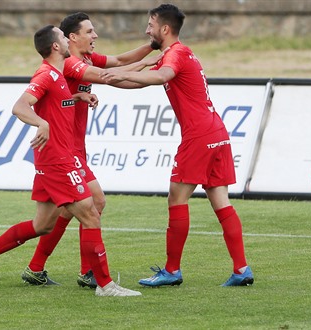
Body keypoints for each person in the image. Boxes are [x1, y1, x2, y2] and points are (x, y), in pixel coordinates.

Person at [0, 25, 141, 296]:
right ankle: (104, 285)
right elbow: (20, 106)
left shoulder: (58, 75)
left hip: (55, 158)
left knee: (43, 225)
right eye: (62, 36)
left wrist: (77, 97)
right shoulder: (46, 74)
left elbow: (54, 104)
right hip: (57, 159)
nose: (68, 39)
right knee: (91, 213)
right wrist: (41, 122)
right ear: (57, 46)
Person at [100, 4, 254, 287]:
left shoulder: (176, 54)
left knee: (177, 199)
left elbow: (159, 77)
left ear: (165, 29)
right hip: (216, 133)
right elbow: (141, 82)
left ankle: (172, 271)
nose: (147, 30)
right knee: (221, 202)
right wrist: (108, 79)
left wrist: (122, 74)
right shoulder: (176, 54)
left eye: (150, 25)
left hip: (199, 137)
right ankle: (241, 269)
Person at [21, 12, 164, 289]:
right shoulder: (71, 64)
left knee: (63, 213)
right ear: (71, 38)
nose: (95, 36)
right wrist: (151, 67)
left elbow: (120, 63)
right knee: (93, 204)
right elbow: (111, 77)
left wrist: (153, 46)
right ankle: (89, 273)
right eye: (89, 31)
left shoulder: (84, 59)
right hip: (64, 151)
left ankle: (36, 267)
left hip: (73, 147)